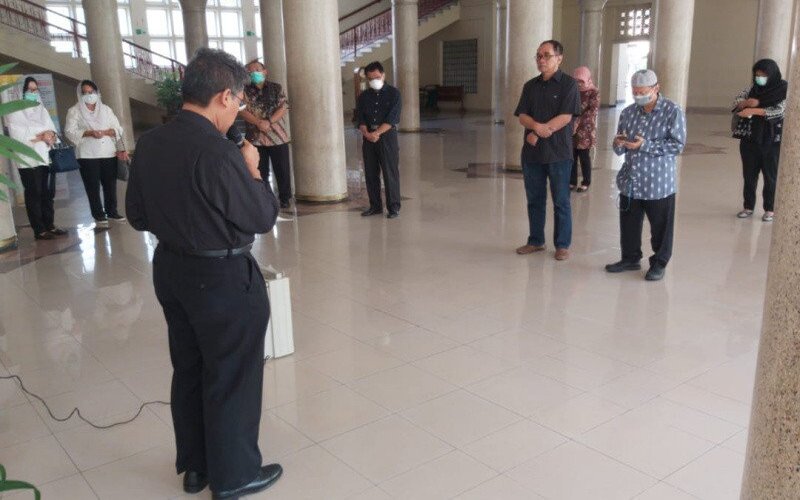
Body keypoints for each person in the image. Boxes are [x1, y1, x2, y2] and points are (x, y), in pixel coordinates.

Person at [125, 49, 282, 499]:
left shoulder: (152, 143)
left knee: (191, 368)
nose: (238, 110)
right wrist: (253, 172)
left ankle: (196, 468)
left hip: (173, 271)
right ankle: (234, 477)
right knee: (232, 373)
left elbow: (136, 215)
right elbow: (260, 216)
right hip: (223, 279)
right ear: (223, 95)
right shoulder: (218, 152)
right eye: (237, 101)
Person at [605, 69, 687, 282]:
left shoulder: (672, 111)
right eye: (635, 92)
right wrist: (619, 143)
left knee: (661, 227)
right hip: (631, 180)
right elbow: (620, 145)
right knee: (629, 224)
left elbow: (677, 146)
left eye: (643, 92)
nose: (639, 96)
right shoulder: (629, 112)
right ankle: (630, 258)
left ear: (656, 88)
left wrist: (645, 145)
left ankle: (659, 263)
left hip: (658, 183)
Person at [514, 40, 581, 261]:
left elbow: (566, 117)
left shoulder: (569, 85)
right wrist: (536, 127)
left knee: (561, 200)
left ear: (559, 58)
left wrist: (542, 130)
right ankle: (535, 240)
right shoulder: (530, 86)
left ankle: (562, 245)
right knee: (535, 198)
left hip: (558, 153)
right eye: (538, 56)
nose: (541, 60)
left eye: (546, 55)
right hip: (532, 152)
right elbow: (522, 115)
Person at [4, 77, 66, 240]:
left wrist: (49, 135)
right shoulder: (14, 111)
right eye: (29, 90)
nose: (33, 93)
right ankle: (39, 229)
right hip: (27, 159)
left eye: (35, 90)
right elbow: (18, 136)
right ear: (22, 92)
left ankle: (49, 225)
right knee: (33, 192)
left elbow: (52, 131)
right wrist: (41, 135)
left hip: (43, 156)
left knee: (45, 192)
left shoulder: (41, 109)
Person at [65, 79, 129, 227]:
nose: (89, 95)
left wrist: (105, 132)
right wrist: (89, 133)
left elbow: (118, 129)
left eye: (91, 92)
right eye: (85, 92)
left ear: (96, 93)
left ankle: (112, 211)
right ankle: (98, 214)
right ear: (80, 94)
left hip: (108, 152)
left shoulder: (106, 109)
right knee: (92, 185)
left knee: (110, 184)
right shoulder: (74, 111)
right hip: (87, 155)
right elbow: (69, 131)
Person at [733, 59, 786, 222]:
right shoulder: (751, 89)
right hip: (750, 140)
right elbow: (736, 102)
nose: (759, 78)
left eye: (763, 75)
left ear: (772, 75)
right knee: (749, 174)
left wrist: (754, 108)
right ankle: (748, 206)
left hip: (771, 141)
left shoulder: (783, 90)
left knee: (770, 176)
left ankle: (770, 209)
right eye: (757, 75)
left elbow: (778, 111)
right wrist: (747, 103)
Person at [239, 59, 293, 209]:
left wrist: (268, 121)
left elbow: (283, 107)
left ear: (265, 71)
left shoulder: (276, 88)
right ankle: (264, 197)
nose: (254, 72)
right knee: (260, 170)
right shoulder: (243, 90)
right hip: (255, 139)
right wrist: (258, 122)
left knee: (282, 170)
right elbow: (241, 110)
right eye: (250, 70)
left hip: (278, 137)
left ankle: (284, 198)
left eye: (257, 69)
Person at [356, 61, 402, 219]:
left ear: (383, 75)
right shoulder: (363, 96)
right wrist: (367, 133)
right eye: (370, 78)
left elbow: (393, 118)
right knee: (370, 173)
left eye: (376, 77)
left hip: (387, 136)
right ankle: (375, 206)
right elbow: (360, 119)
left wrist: (377, 133)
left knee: (390, 173)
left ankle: (393, 207)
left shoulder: (394, 94)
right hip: (368, 138)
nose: (374, 80)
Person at [570, 66, 600, 192]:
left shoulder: (594, 92)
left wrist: (578, 121)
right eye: (576, 81)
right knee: (571, 156)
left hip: (585, 129)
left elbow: (593, 111)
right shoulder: (572, 91)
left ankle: (586, 182)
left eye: (581, 81)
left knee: (584, 156)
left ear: (587, 79)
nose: (579, 84)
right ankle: (571, 182)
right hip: (571, 128)